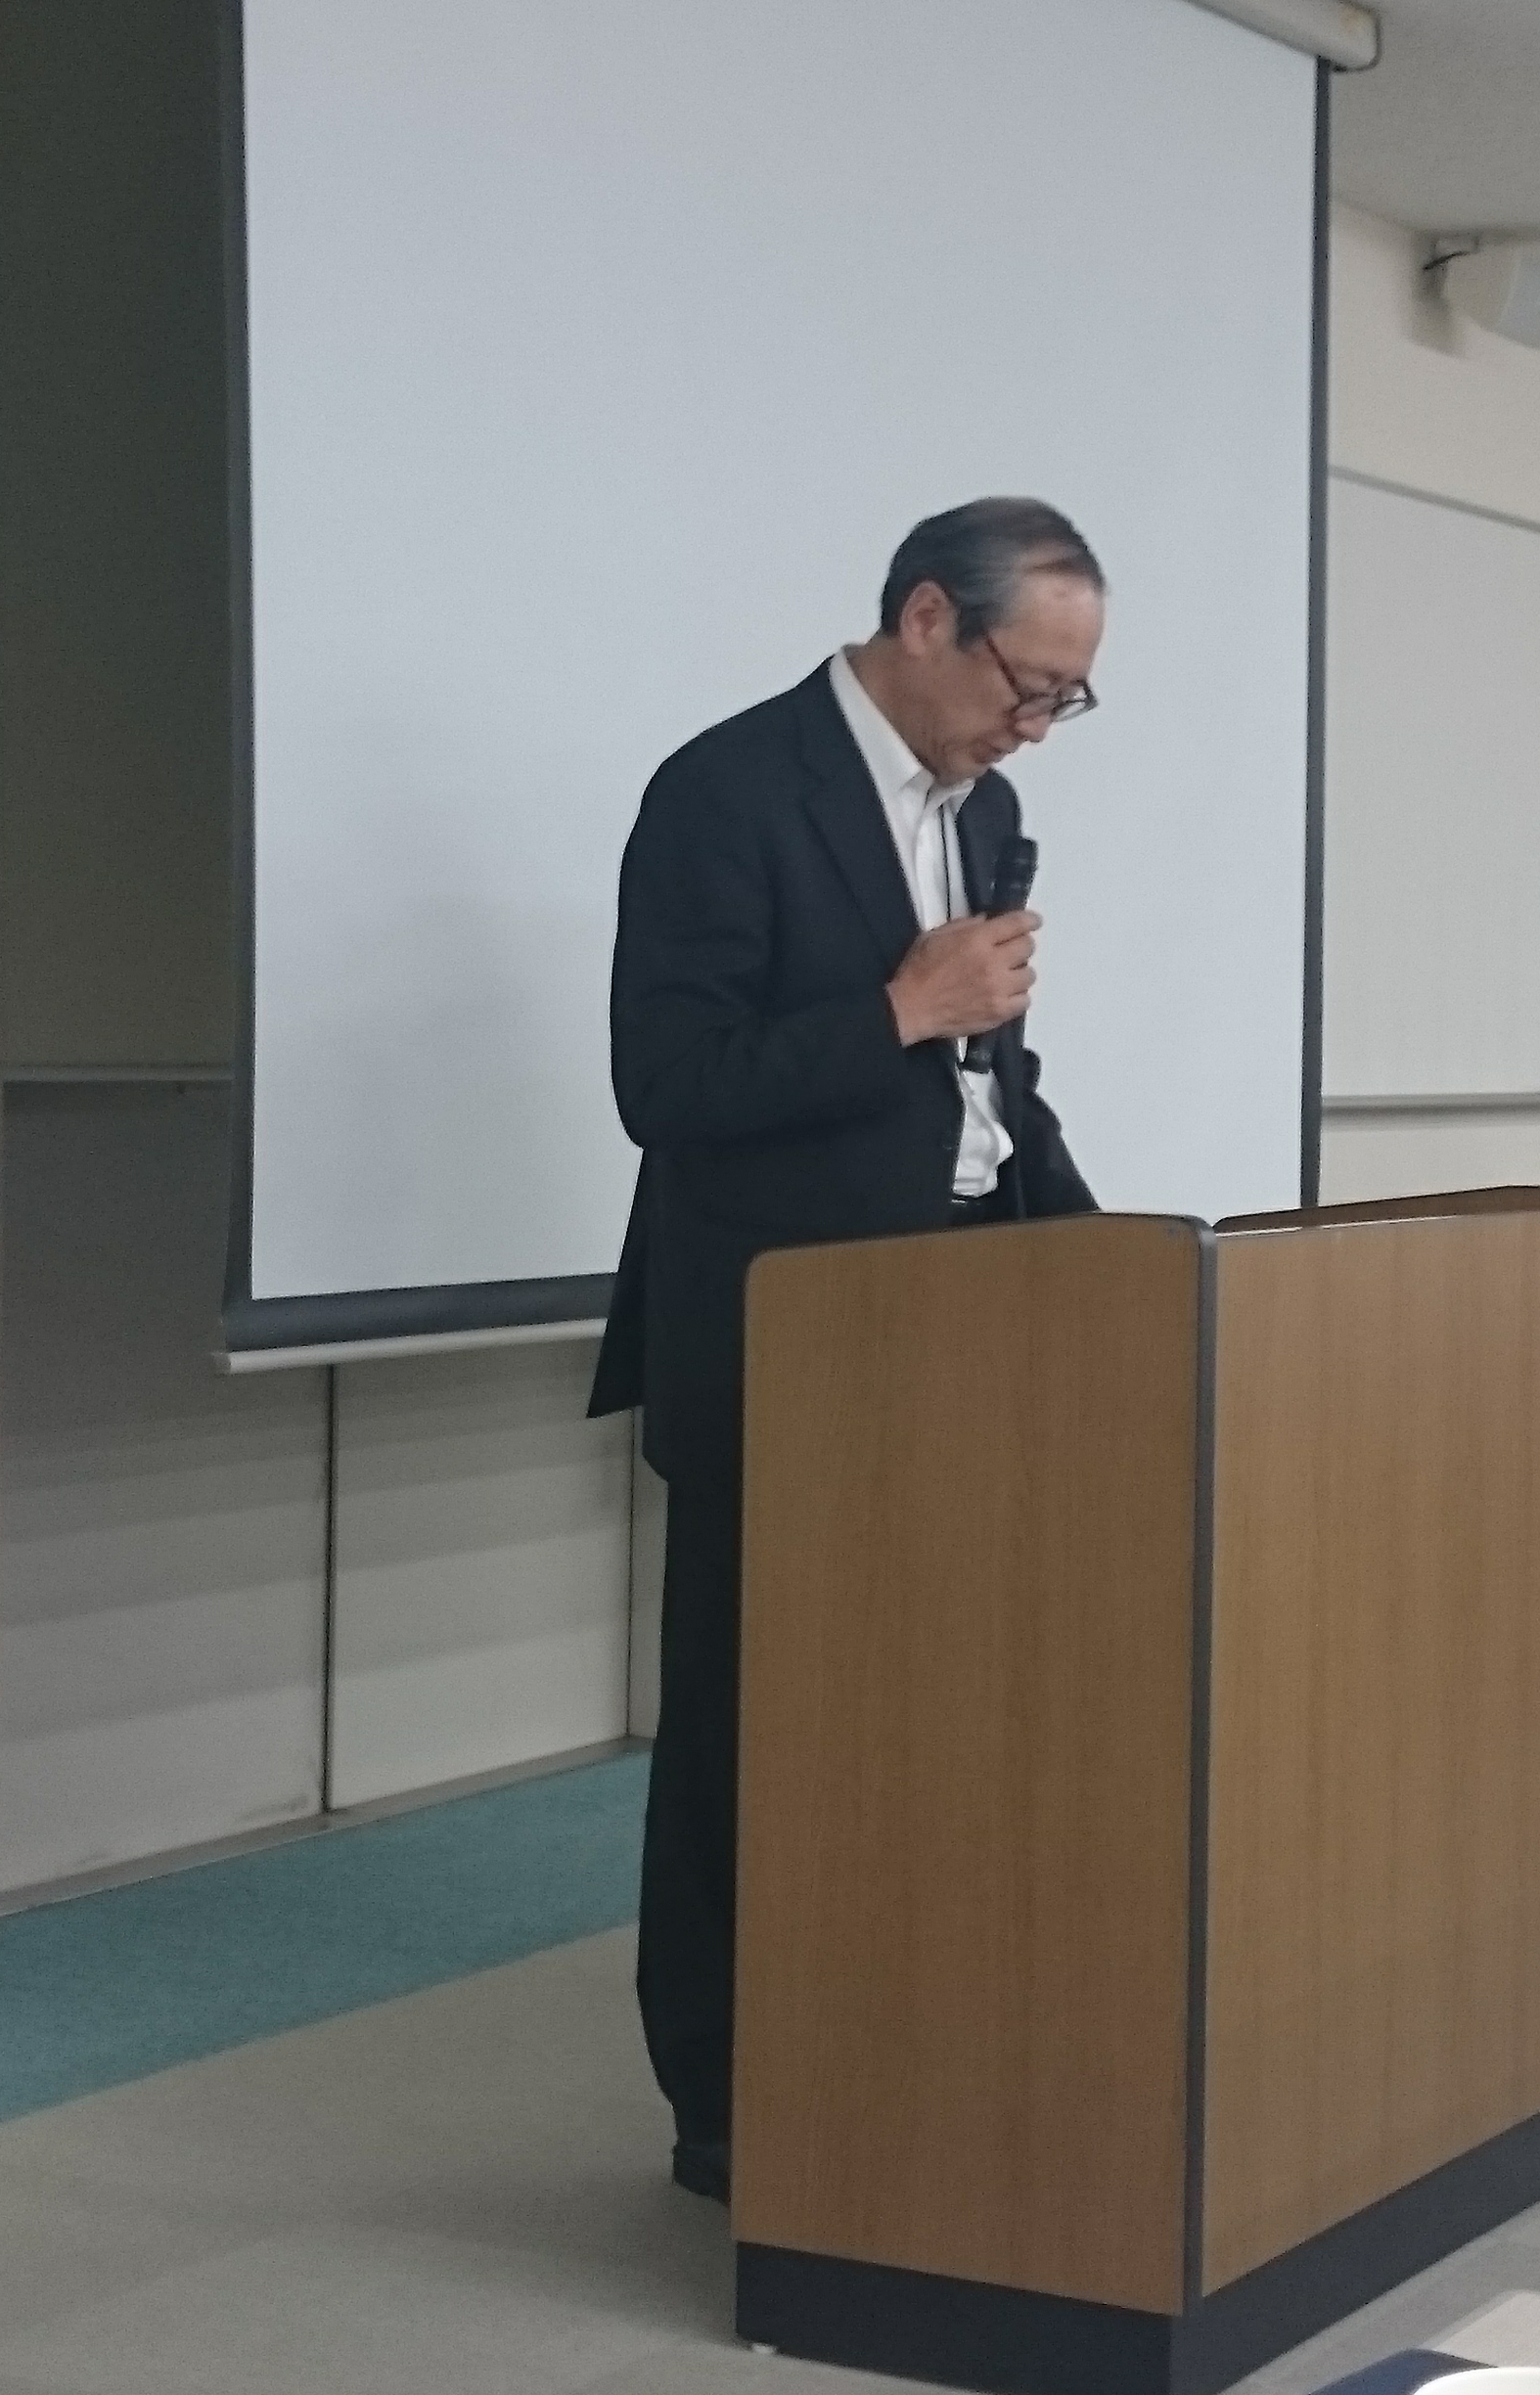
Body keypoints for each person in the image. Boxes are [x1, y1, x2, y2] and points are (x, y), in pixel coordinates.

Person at [588, 499, 1105, 2202]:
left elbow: (987, 1086)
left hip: (961, 1322)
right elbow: (666, 1087)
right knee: (748, 1733)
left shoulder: (987, 814)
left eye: (1067, 699)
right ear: (926, 618)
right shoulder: (726, 790)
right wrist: (897, 1006)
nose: (1038, 727)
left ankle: (894, 2034)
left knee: (927, 1720)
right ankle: (725, 2101)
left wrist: (1109, 1252)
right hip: (784, 1341)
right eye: (1029, 685)